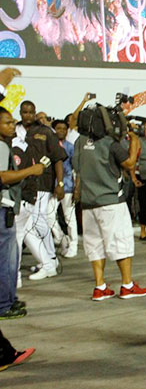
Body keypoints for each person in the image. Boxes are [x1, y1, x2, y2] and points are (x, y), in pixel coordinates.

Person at [73, 122, 146, 300]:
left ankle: (100, 287)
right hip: (111, 201)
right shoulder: (109, 143)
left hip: (88, 202)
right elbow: (129, 163)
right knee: (120, 241)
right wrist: (135, 142)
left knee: (94, 244)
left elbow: (77, 168)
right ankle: (127, 285)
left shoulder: (80, 141)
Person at [1, 104, 47, 320]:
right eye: (8, 123)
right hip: (3, 209)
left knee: (11, 257)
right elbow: (2, 176)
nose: (13, 126)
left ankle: (9, 299)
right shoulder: (1, 146)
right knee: (6, 259)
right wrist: (31, 171)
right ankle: (4, 304)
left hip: (9, 208)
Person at [16, 100, 66, 281]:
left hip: (42, 183)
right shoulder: (15, 130)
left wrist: (60, 184)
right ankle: (45, 258)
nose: (27, 115)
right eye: (24, 112)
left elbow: (58, 159)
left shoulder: (46, 132)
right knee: (31, 223)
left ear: (35, 112)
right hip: (21, 185)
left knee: (38, 221)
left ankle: (51, 258)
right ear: (20, 113)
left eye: (30, 112)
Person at [47, 119, 78, 258]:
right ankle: (60, 237)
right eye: (58, 128)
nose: (61, 131)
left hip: (68, 186)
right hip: (51, 187)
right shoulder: (49, 146)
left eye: (64, 129)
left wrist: (77, 187)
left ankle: (74, 245)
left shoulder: (70, 147)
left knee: (69, 218)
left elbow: (76, 169)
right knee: (48, 215)